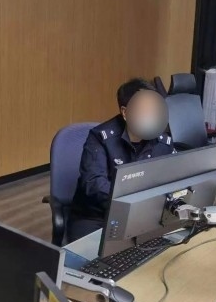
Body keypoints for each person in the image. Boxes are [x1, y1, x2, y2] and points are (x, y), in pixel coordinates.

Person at [67, 78, 174, 242]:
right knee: (99, 255)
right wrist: (133, 202)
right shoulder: (100, 138)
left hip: (142, 215)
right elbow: (93, 184)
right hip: (96, 216)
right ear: (125, 112)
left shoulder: (162, 142)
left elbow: (173, 177)